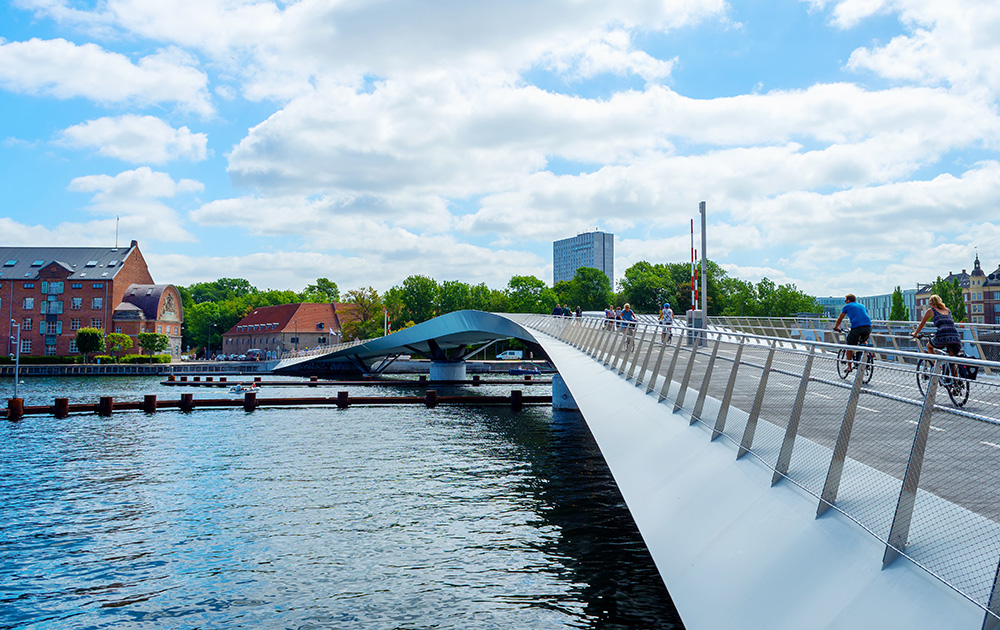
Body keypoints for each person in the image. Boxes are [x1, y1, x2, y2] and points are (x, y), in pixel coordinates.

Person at [911, 294, 962, 373]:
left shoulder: (931, 311)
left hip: (942, 336)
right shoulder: (947, 310)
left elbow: (921, 324)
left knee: (929, 346)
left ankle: (938, 368)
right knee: (951, 360)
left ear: (931, 304)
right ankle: (957, 382)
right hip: (955, 337)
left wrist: (915, 333)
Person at [832, 294, 872, 373]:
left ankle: (849, 367)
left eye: (845, 301)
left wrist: (836, 327)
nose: (845, 302)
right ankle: (867, 358)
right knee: (863, 341)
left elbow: (840, 318)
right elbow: (864, 316)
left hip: (857, 328)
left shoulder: (847, 306)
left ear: (848, 300)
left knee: (849, 347)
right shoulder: (862, 306)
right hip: (868, 327)